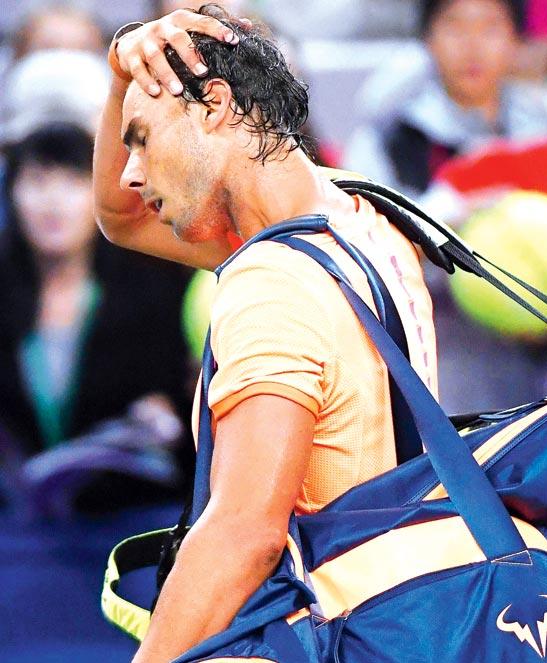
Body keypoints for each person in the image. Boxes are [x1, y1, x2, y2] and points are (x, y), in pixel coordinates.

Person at [94, 5, 437, 661]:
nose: (132, 171)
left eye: (140, 137)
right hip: (402, 616)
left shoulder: (271, 281)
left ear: (215, 105)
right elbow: (117, 215)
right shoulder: (363, 211)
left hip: (324, 632)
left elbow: (243, 532)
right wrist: (120, 80)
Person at [0, 50, 193, 511]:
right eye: (37, 180)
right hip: (19, 535)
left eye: (73, 181)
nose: (53, 203)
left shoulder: (159, 283)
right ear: (13, 190)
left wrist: (166, 417)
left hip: (129, 519)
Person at [344, 0, 547, 197]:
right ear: (428, 40)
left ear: (515, 42)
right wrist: (446, 215)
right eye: (455, 27)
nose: (473, 45)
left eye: (491, 27)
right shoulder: (395, 137)